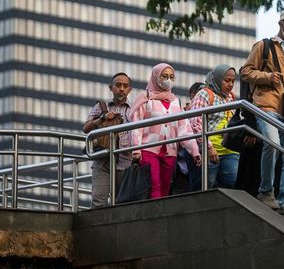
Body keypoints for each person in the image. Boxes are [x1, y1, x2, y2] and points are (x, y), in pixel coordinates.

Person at [240, 7, 284, 216]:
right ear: (282, 24)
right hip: (267, 104)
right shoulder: (264, 45)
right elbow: (245, 72)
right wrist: (267, 77)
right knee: (272, 144)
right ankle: (266, 192)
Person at [130, 63, 202, 198]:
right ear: (155, 77)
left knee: (165, 187)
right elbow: (136, 125)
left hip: (170, 151)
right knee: (154, 184)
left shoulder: (175, 101)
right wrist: (136, 149)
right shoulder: (145, 98)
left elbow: (184, 129)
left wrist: (194, 151)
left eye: (171, 77)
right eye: (164, 76)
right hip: (148, 149)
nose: (168, 80)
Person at [82, 73, 133, 208]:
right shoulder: (101, 106)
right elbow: (86, 128)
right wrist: (102, 118)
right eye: (118, 85)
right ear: (111, 88)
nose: (122, 89)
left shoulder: (134, 109)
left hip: (125, 161)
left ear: (130, 89)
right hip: (102, 160)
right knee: (98, 200)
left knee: (123, 203)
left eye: (125, 86)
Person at [189, 65, 239, 189]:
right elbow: (195, 123)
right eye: (226, 80)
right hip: (208, 150)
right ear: (216, 79)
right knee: (206, 187)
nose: (230, 84)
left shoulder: (231, 97)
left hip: (229, 150)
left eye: (233, 81)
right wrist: (208, 147)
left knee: (232, 184)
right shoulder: (204, 94)